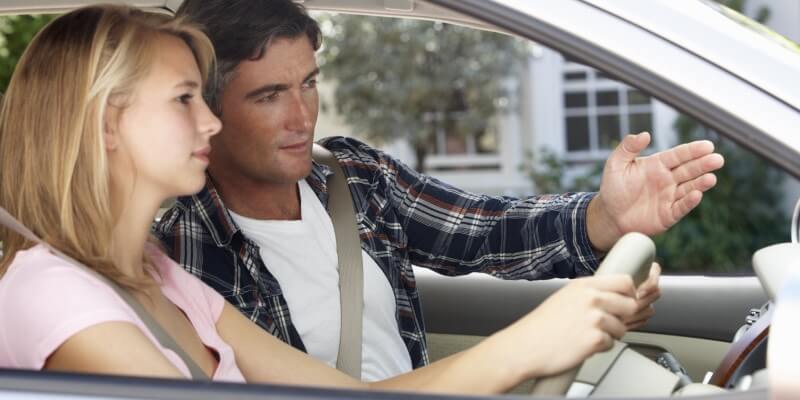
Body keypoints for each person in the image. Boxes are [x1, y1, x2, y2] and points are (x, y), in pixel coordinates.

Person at [0, 4, 644, 394]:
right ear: (107, 124)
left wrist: (544, 330)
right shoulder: (57, 296)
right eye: (184, 100)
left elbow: (346, 395)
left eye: (308, 84)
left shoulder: (158, 277)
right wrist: (527, 345)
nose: (209, 122)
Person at [154, 0, 724, 381]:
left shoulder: (354, 176)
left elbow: (483, 229)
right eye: (269, 96)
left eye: (308, 84)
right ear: (207, 110)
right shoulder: (182, 248)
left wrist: (604, 216)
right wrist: (533, 342)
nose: (303, 117)